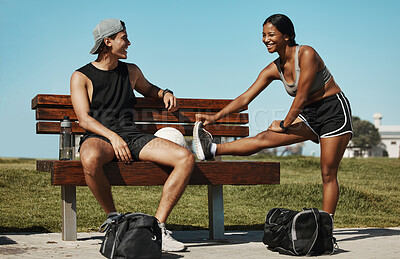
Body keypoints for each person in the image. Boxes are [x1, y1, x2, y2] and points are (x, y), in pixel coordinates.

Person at [194, 14, 353, 217]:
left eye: (271, 34)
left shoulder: (307, 54)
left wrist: (285, 124)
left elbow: (302, 96)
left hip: (333, 112)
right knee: (264, 138)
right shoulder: (273, 68)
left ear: (287, 36)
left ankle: (325, 226)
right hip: (309, 115)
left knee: (328, 173)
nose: (265, 39)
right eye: (263, 35)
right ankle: (212, 149)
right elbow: (245, 98)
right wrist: (214, 118)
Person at [70, 18, 194, 252]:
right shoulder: (81, 76)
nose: (129, 43)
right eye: (124, 38)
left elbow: (149, 89)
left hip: (133, 137)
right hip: (100, 137)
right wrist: (113, 138)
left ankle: (157, 229)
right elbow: (85, 119)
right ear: (108, 42)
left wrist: (164, 93)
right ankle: (114, 220)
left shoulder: (131, 71)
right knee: (89, 159)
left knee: (185, 158)